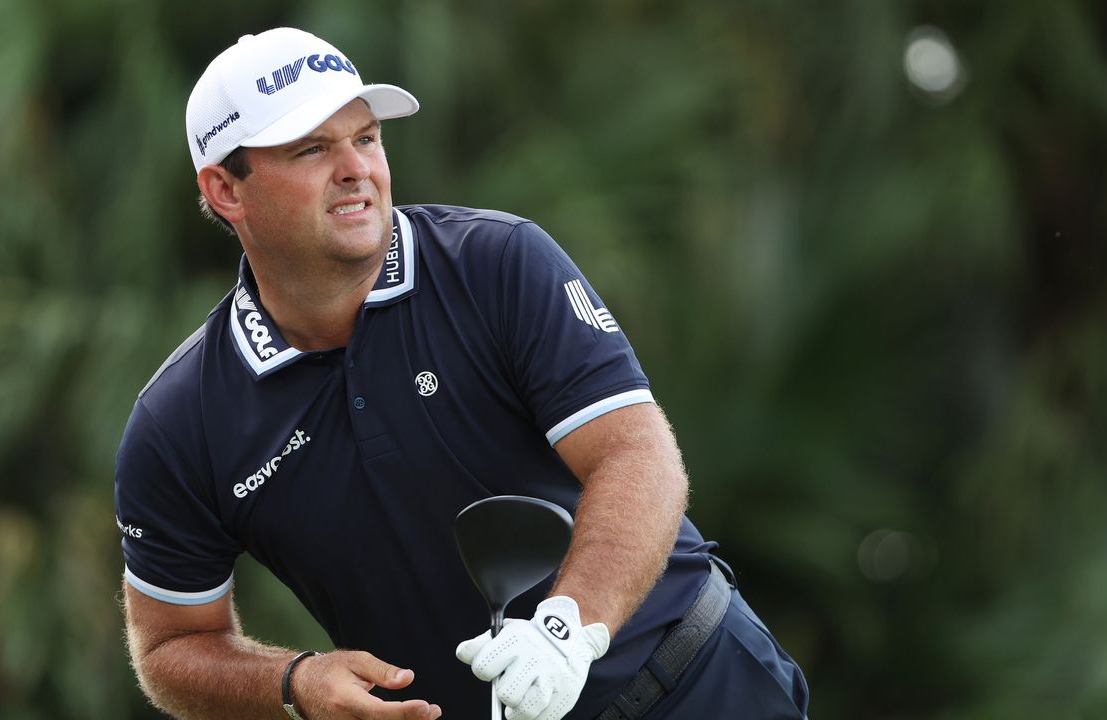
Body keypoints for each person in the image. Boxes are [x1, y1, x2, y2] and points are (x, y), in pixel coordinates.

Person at [115, 26, 810, 720]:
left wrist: (567, 632)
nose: (357, 168)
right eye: (312, 149)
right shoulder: (180, 421)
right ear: (226, 190)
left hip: (699, 687)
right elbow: (171, 645)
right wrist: (294, 683)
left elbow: (637, 455)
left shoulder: (496, 264)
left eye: (366, 138)